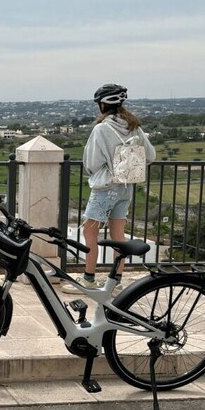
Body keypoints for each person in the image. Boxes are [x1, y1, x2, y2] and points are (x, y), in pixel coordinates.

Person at [62, 83, 156, 295]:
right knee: (118, 235)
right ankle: (116, 282)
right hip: (126, 186)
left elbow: (92, 163)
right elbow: (150, 156)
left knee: (89, 232)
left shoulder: (102, 129)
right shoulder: (134, 126)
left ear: (103, 104)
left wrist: (103, 169)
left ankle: (88, 279)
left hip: (106, 188)